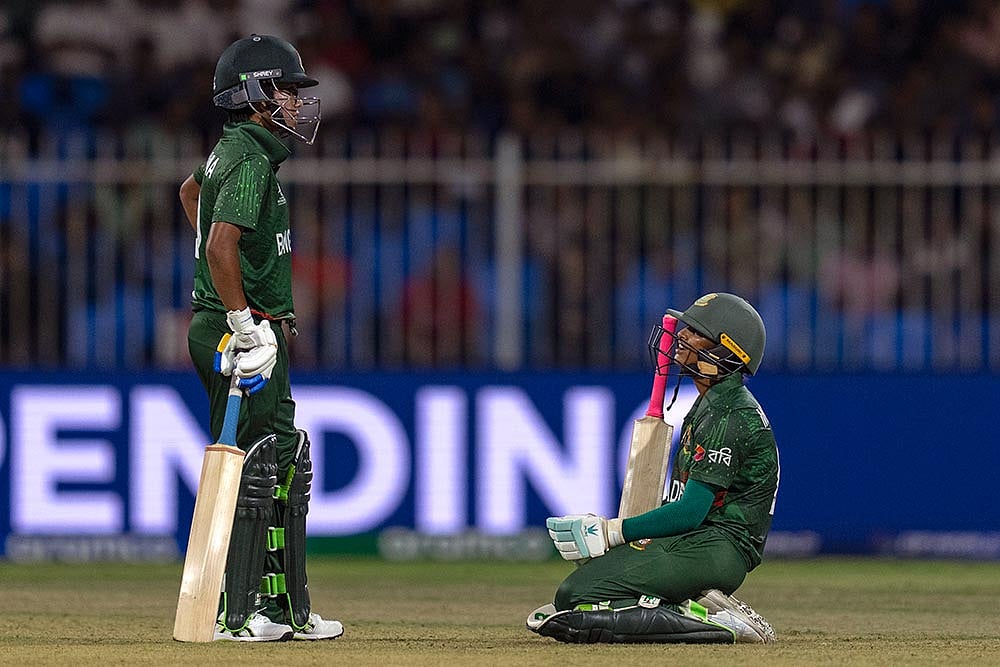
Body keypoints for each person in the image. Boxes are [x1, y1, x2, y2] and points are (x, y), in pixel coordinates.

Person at [179, 33, 342, 642]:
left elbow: (190, 193)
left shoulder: (236, 151)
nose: (297, 102)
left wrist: (220, 274)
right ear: (254, 94)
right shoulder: (248, 159)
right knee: (258, 464)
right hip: (242, 328)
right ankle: (240, 614)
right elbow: (222, 245)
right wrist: (243, 320)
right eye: (287, 90)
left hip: (239, 323)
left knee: (277, 458)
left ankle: (276, 608)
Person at [527, 292, 779, 644]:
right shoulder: (710, 404)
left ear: (725, 352)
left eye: (696, 332)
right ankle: (692, 603)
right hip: (694, 542)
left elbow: (691, 512)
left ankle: (714, 619)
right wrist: (622, 542)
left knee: (576, 595)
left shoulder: (729, 414)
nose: (681, 336)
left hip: (716, 549)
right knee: (575, 593)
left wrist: (612, 532)